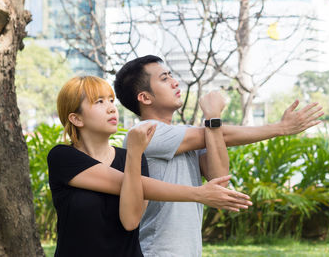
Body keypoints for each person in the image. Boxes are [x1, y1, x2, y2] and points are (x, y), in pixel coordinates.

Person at [114, 55, 324, 257]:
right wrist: (280, 128)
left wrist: (212, 121)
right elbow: (220, 133)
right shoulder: (145, 133)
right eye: (164, 78)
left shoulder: (186, 135)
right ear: (144, 97)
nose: (175, 82)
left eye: (171, 75)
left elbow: (219, 177)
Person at [47, 76, 252, 257]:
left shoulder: (131, 158)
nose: (111, 108)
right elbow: (125, 183)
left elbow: (130, 221)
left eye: (111, 100)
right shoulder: (63, 157)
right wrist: (197, 193)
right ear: (76, 118)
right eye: (99, 102)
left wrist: (135, 155)